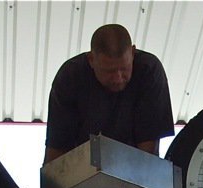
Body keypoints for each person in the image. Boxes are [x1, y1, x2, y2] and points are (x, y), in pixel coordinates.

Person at [44, 24, 174, 164]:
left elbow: (149, 153)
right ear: (91, 60)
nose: (118, 78)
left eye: (124, 69)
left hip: (135, 166)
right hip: (82, 166)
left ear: (132, 52)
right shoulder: (70, 77)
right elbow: (57, 148)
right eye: (109, 71)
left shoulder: (149, 70)